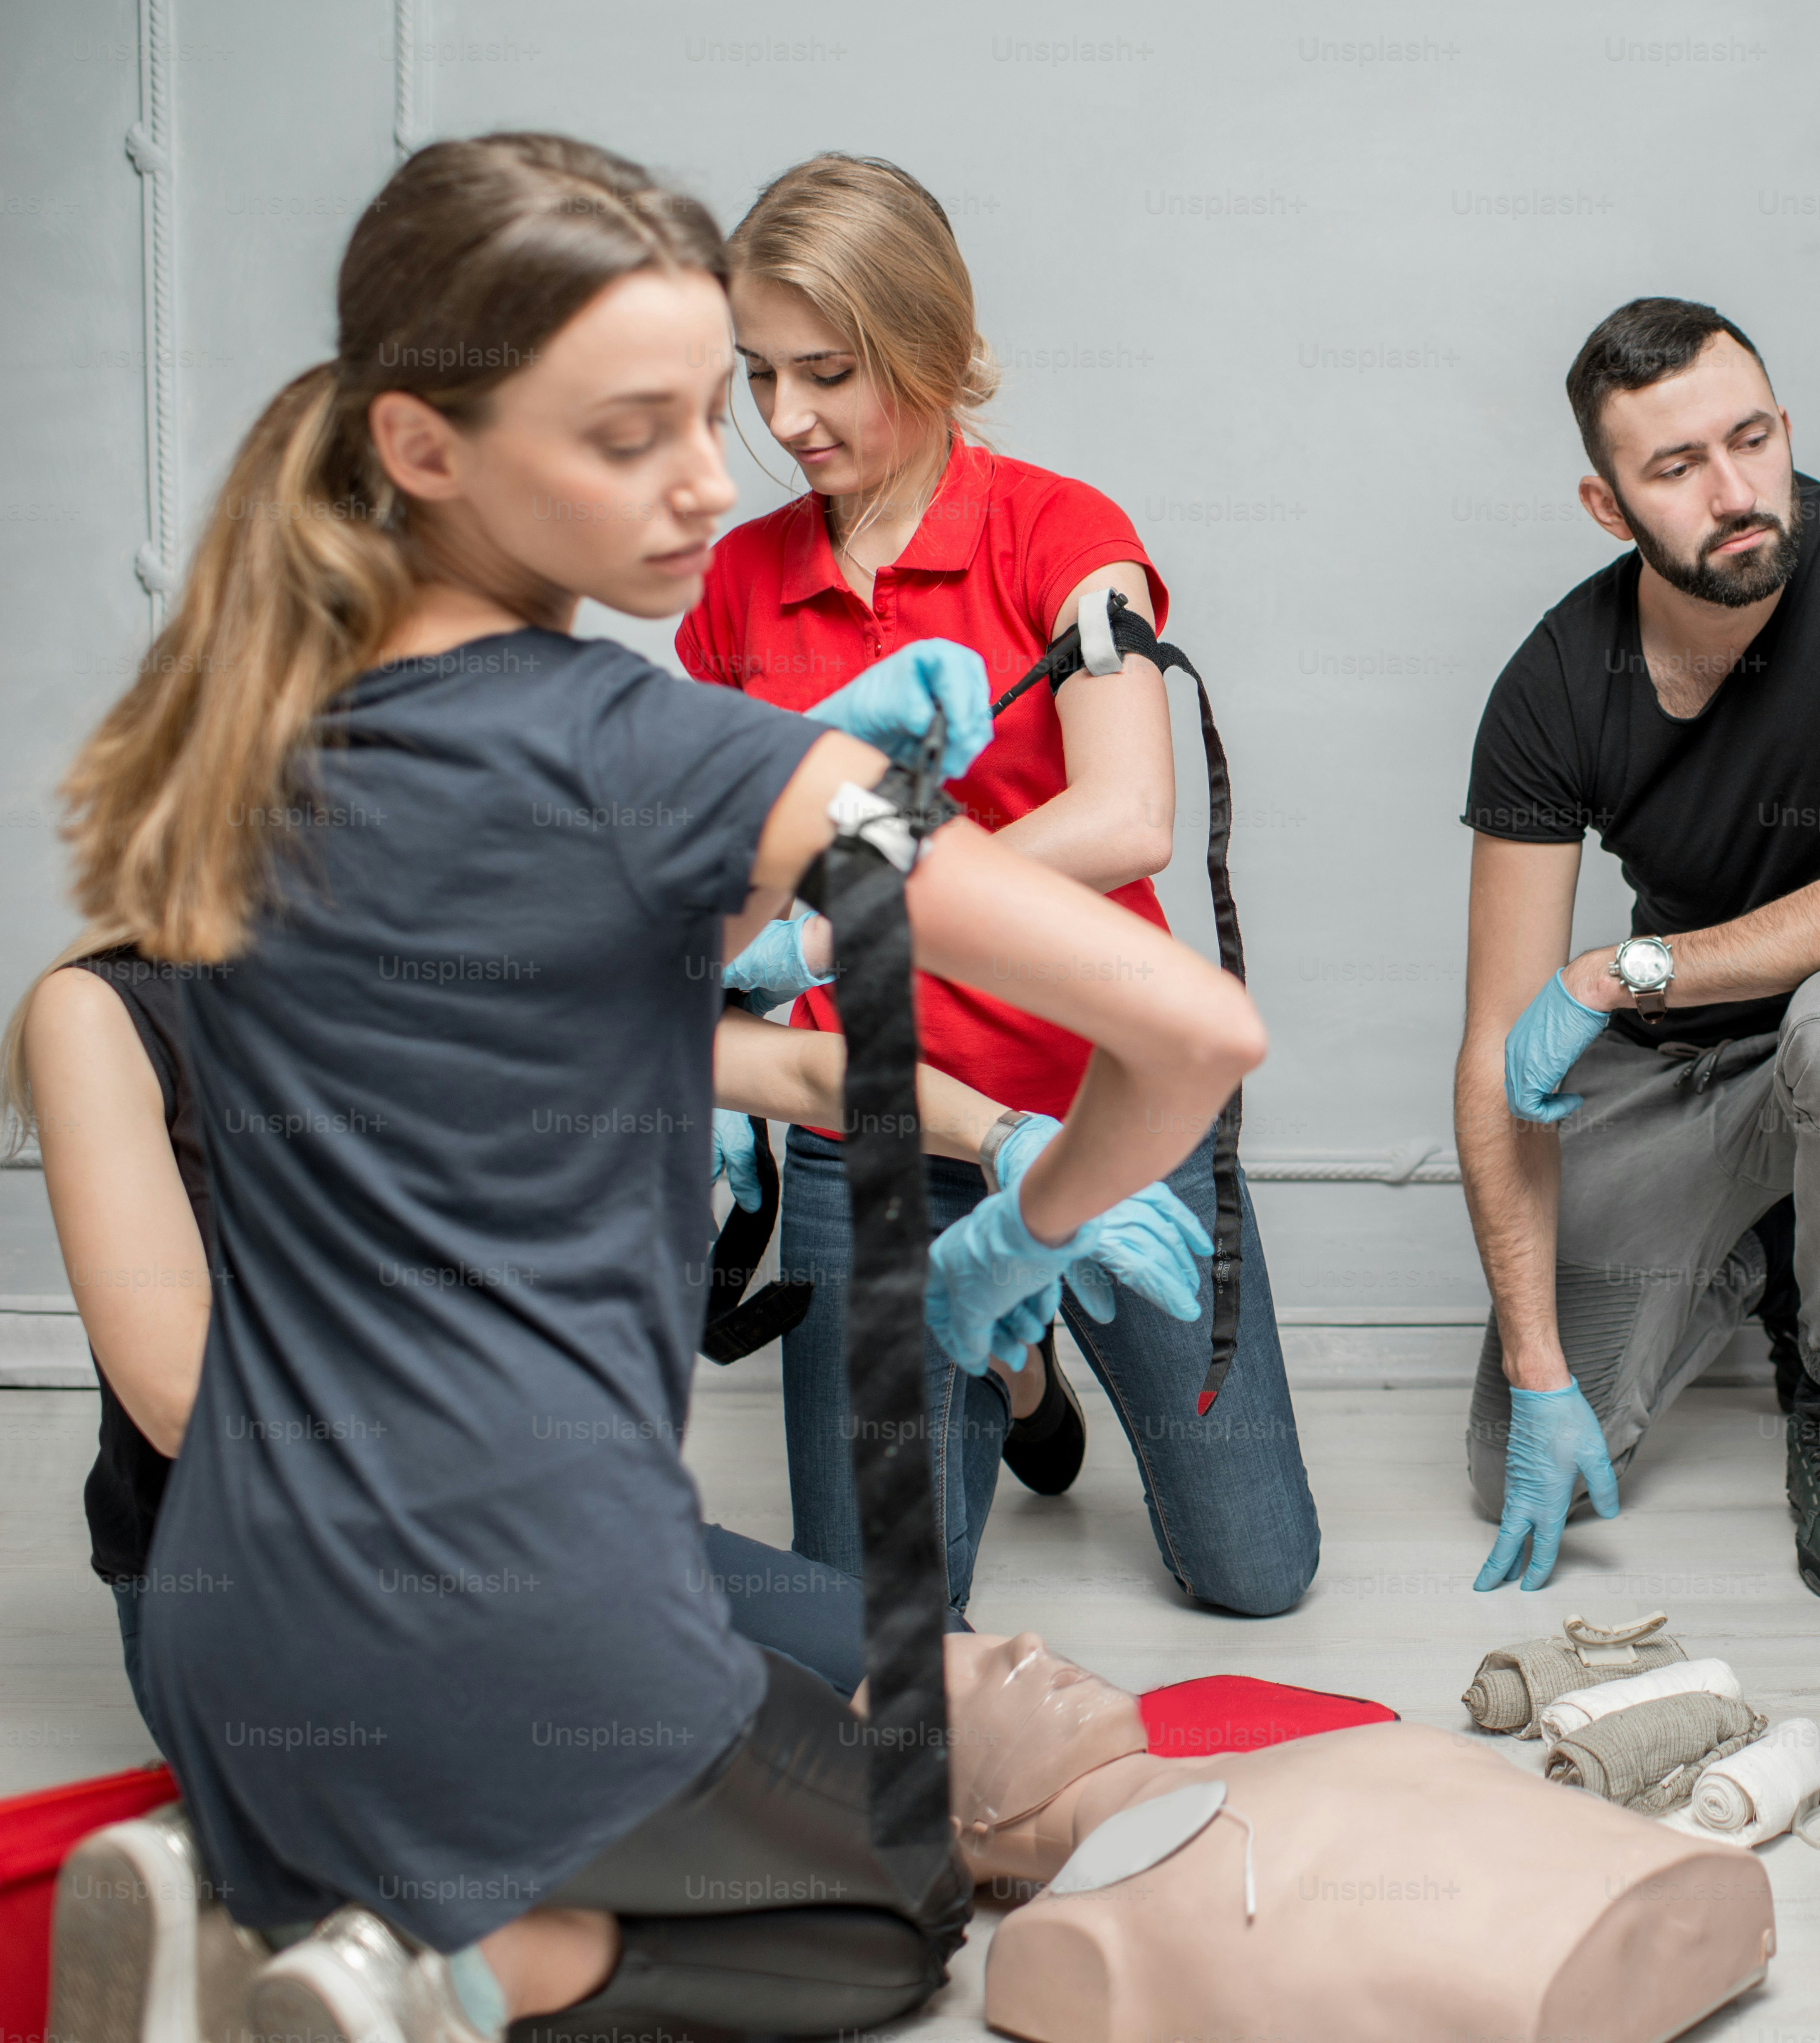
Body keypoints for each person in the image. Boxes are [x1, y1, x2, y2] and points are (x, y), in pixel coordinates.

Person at [50, 132, 1261, 2041]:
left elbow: (623, 1022)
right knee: (899, 1916)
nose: (720, 469)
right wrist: (1020, 1221)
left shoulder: (261, 758)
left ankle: (292, 1896)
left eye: (719, 407)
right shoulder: (663, 741)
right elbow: (1194, 1027)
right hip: (514, 1613)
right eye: (634, 434)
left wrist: (848, 1012)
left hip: (228, 1626)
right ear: (427, 450)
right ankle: (442, 1966)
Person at [674, 153, 1317, 1619]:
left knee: (1259, 1575)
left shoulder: (1062, 534)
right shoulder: (736, 588)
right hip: (871, 1132)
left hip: (1110, 1112)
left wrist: (859, 883)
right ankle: (1020, 1374)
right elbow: (711, 868)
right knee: (867, 1618)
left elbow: (1132, 816)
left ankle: (1028, 1351)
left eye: (828, 372)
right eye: (760, 375)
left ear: (928, 343)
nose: (786, 422)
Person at [0, 940, 1040, 1730]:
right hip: (270, 1585)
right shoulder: (103, 1011)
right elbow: (182, 1396)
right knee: (741, 1790)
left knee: (973, 1696)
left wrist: (1012, 1143)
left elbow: (809, 1075)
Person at [1459, 297, 1820, 1604]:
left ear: (1785, 428)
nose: (1737, 490)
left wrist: (1615, 973)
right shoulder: (1556, 678)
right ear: (1609, 506)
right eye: (1678, 469)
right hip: (1683, 1068)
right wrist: (1536, 1363)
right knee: (1503, 1460)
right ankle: (1766, 1244)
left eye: (1753, 441)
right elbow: (1493, 1052)